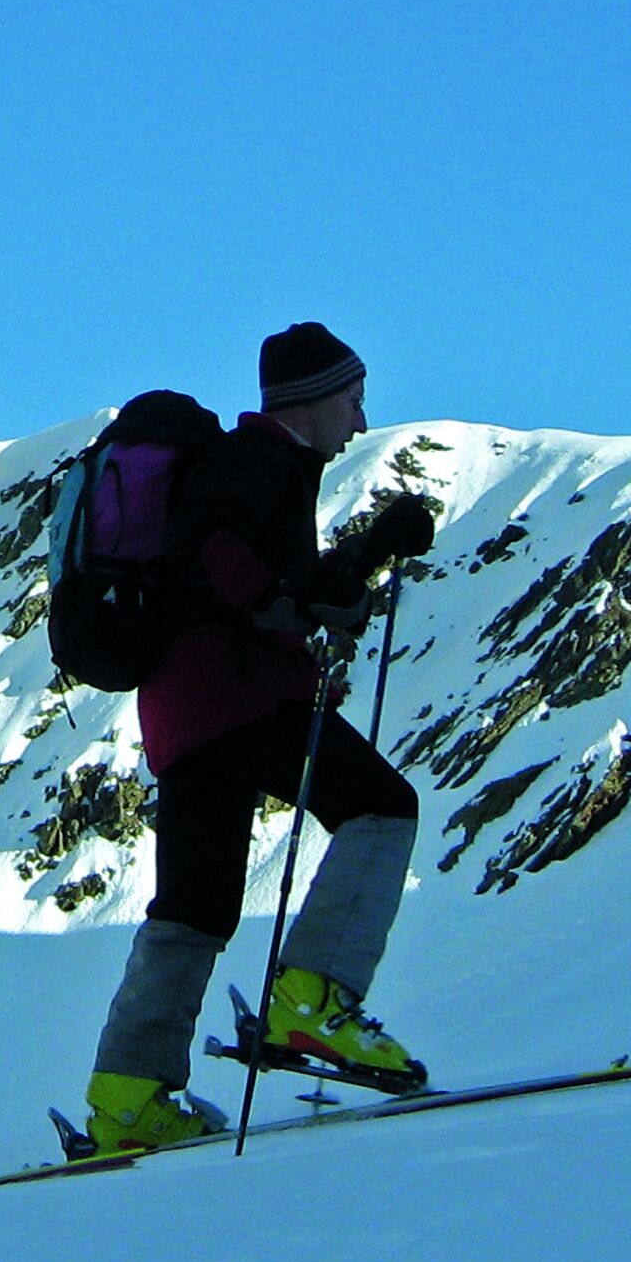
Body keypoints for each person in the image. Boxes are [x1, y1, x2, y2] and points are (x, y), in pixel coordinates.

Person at [83, 320, 438, 1155]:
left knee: (195, 907)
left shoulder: (268, 468)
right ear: (312, 400)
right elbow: (209, 546)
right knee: (382, 807)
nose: (359, 419)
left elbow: (275, 577)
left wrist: (368, 554)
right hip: (235, 698)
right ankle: (312, 1004)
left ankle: (127, 1096)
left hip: (185, 712)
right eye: (352, 398)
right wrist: (274, 606)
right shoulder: (259, 458)